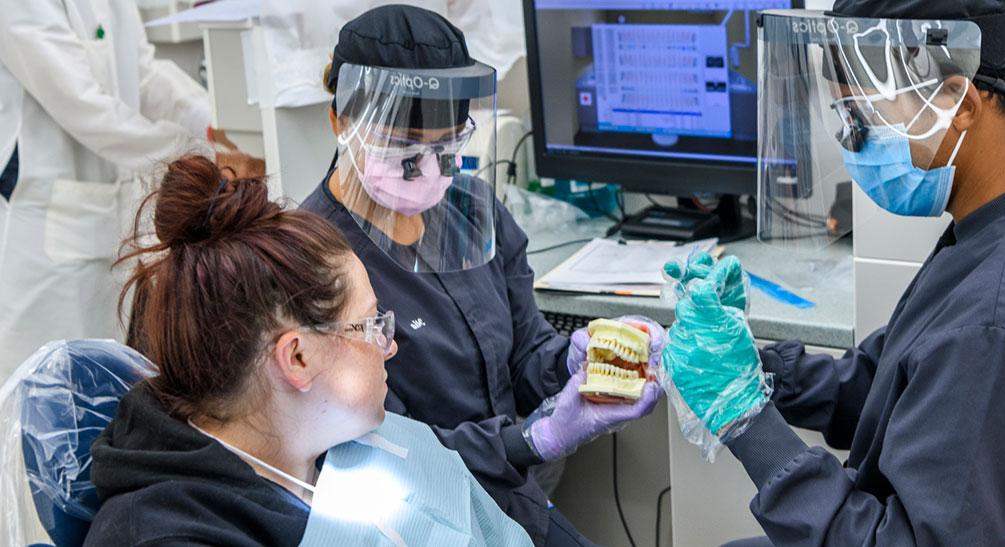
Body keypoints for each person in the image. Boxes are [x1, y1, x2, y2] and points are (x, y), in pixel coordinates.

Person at [662, 1, 1005, 545]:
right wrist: (756, 368)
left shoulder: (1000, 320)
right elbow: (901, 381)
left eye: (860, 117)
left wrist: (746, 419)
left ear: (958, 102)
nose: (851, 142)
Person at [300, 6, 664, 545]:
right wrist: (530, 440)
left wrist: (570, 358)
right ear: (339, 121)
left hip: (512, 492)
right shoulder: (311, 262)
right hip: (419, 515)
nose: (427, 168)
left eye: (446, 147)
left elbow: (520, 352)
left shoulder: (473, 213)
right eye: (403, 149)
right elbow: (385, 449)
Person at [85, 155, 531, 546]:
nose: (389, 345)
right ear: (298, 358)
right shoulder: (164, 534)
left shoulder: (335, 449)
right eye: (372, 324)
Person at [0, 0, 262, 380]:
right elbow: (82, 103)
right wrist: (199, 152)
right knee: (43, 389)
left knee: (104, 381)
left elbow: (144, 73)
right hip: (46, 233)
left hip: (103, 215)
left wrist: (211, 120)